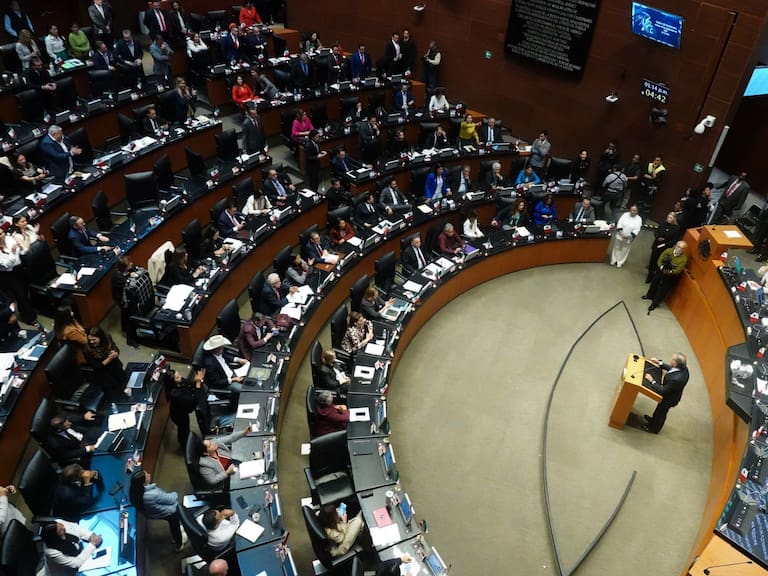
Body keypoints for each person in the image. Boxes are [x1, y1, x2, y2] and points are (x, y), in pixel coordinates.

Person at [129, 470, 186, 550]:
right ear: (144, 482)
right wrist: (175, 493)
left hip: (153, 513)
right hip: (168, 512)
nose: (149, 474)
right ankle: (179, 544)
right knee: (174, 525)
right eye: (147, 475)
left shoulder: (134, 492)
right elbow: (171, 499)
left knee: (173, 524)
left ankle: (176, 538)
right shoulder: (153, 494)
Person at [641, 353, 689, 433]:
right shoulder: (683, 368)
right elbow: (672, 369)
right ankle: (653, 420)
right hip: (670, 394)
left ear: (675, 363)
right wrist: (659, 363)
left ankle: (654, 429)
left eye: (672, 359)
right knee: (659, 410)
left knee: (661, 413)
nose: (670, 359)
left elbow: (662, 391)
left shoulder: (676, 379)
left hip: (669, 399)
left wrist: (651, 380)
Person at [163, 368, 205, 450]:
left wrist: (195, 381)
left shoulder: (180, 381)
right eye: (177, 377)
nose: (180, 377)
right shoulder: (174, 393)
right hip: (178, 415)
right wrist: (198, 384)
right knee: (183, 429)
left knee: (185, 428)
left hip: (184, 411)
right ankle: (184, 446)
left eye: (178, 374)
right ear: (172, 382)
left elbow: (188, 384)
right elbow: (193, 401)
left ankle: (186, 442)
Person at [0, 227, 35, 325]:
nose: (2, 236)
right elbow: (6, 265)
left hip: (19, 269)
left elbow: (23, 251)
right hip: (8, 275)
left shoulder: (9, 239)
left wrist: (20, 247)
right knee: (20, 295)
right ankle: (30, 318)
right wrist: (13, 252)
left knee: (25, 292)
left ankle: (24, 312)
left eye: (2, 233)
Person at [645, 240, 688, 312]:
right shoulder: (668, 251)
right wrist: (661, 267)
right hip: (661, 270)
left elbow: (678, 270)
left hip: (670, 275)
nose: (679, 249)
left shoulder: (683, 259)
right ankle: (649, 295)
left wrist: (670, 272)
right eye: (678, 247)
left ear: (684, 250)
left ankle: (654, 303)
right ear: (675, 246)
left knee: (663, 290)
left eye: (682, 248)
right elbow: (660, 260)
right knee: (654, 283)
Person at [85, 326, 125, 396]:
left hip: (115, 366)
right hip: (104, 373)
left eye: (94, 339)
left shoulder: (107, 338)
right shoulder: (87, 349)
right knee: (115, 393)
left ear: (101, 337)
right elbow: (97, 366)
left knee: (124, 383)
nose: (91, 342)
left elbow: (115, 347)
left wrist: (115, 352)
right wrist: (109, 359)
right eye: (90, 340)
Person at [646, 212, 680, 283]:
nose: (669, 219)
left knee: (660, 263)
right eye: (668, 217)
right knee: (652, 261)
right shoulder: (663, 223)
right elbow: (656, 231)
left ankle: (656, 277)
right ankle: (649, 276)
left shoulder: (676, 228)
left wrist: (664, 244)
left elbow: (674, 240)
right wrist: (658, 237)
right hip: (657, 246)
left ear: (674, 219)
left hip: (665, 248)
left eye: (670, 218)